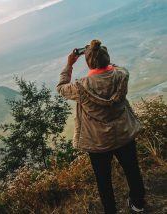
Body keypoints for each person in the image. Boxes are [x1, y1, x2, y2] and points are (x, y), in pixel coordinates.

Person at [56, 39, 145, 213]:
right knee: (133, 170)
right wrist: (100, 57)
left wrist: (69, 64)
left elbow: (60, 88)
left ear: (89, 63)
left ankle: (110, 210)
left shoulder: (80, 86)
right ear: (107, 59)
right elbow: (114, 67)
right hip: (124, 134)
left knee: (103, 180)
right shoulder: (121, 75)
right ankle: (138, 203)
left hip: (97, 143)